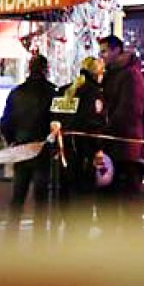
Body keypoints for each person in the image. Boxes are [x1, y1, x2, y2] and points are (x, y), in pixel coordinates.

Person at [51, 56, 107, 242]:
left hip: (64, 151)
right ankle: (79, 238)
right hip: (84, 152)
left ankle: (68, 231)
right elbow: (95, 124)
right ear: (96, 73)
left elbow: (55, 118)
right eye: (101, 71)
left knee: (66, 191)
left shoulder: (66, 90)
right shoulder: (93, 94)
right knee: (83, 195)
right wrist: (98, 150)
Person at [0, 54, 57, 235]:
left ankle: (11, 236)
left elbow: (5, 123)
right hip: (43, 149)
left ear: (29, 69)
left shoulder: (16, 92)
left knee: (18, 196)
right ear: (46, 70)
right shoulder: (52, 92)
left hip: (22, 149)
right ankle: (38, 239)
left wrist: (13, 141)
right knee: (41, 197)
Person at [97, 34, 144, 236]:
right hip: (114, 143)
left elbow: (129, 110)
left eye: (104, 51)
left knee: (127, 195)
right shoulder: (112, 74)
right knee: (112, 194)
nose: (102, 56)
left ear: (117, 50)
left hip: (123, 144)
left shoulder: (129, 75)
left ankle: (132, 239)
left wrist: (106, 127)